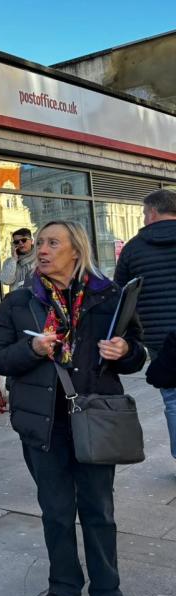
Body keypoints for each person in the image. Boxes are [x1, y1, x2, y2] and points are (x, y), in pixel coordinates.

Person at [0, 220, 145, 596]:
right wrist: (32, 350)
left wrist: (125, 352)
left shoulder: (110, 297)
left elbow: (137, 351)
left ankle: (107, 589)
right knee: (56, 512)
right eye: (39, 242)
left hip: (95, 419)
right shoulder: (19, 301)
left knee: (99, 511)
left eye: (52, 243)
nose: (41, 249)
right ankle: (64, 588)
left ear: (76, 250)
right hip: (44, 423)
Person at [114, 189, 176, 463]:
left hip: (159, 338)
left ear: (152, 212)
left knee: (173, 400)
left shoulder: (133, 248)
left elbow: (121, 294)